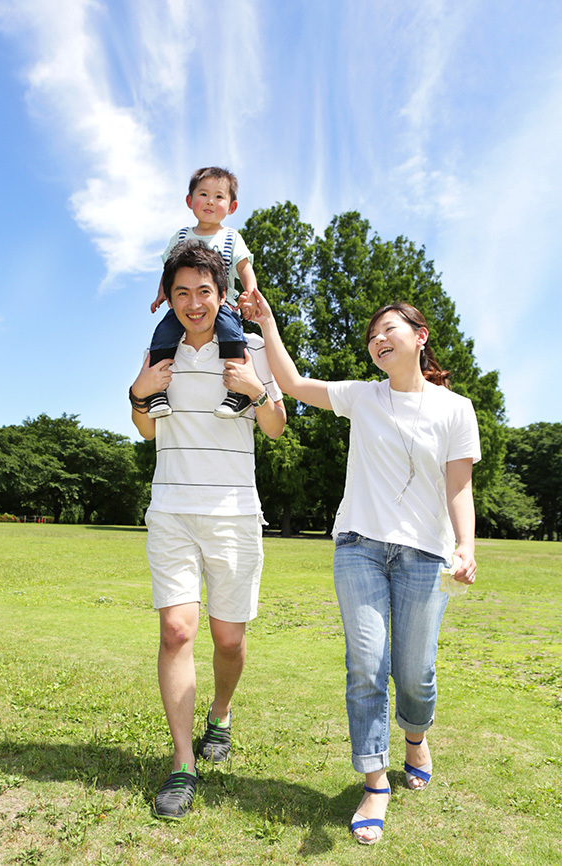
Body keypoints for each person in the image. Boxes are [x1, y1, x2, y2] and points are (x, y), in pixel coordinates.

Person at [245, 289, 480, 845]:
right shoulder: (364, 397)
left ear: (419, 337)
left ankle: (415, 736)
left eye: (389, 329)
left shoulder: (455, 408)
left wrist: (465, 546)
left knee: (416, 671)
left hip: (424, 553)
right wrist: (269, 322)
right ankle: (375, 781)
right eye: (372, 334)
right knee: (367, 664)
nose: (378, 339)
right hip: (359, 547)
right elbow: (297, 385)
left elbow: (459, 485)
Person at [129, 242, 286, 820]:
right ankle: (181, 764)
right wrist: (141, 393)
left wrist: (255, 388)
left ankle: (219, 717)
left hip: (234, 511)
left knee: (227, 639)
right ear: (168, 299)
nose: (193, 304)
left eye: (204, 292)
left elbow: (274, 428)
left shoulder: (247, 349)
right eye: (181, 293)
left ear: (221, 296)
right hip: (170, 508)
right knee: (176, 631)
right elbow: (145, 429)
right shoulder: (158, 351)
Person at [147, 166, 259, 420]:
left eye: (219, 197)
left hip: (223, 304)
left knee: (232, 335)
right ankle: (157, 392)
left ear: (232, 207)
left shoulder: (231, 237)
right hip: (184, 306)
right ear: (189, 201)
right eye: (203, 194)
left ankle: (238, 391)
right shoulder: (181, 236)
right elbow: (169, 270)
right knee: (163, 335)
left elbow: (244, 267)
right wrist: (162, 293)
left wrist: (250, 293)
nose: (210, 201)